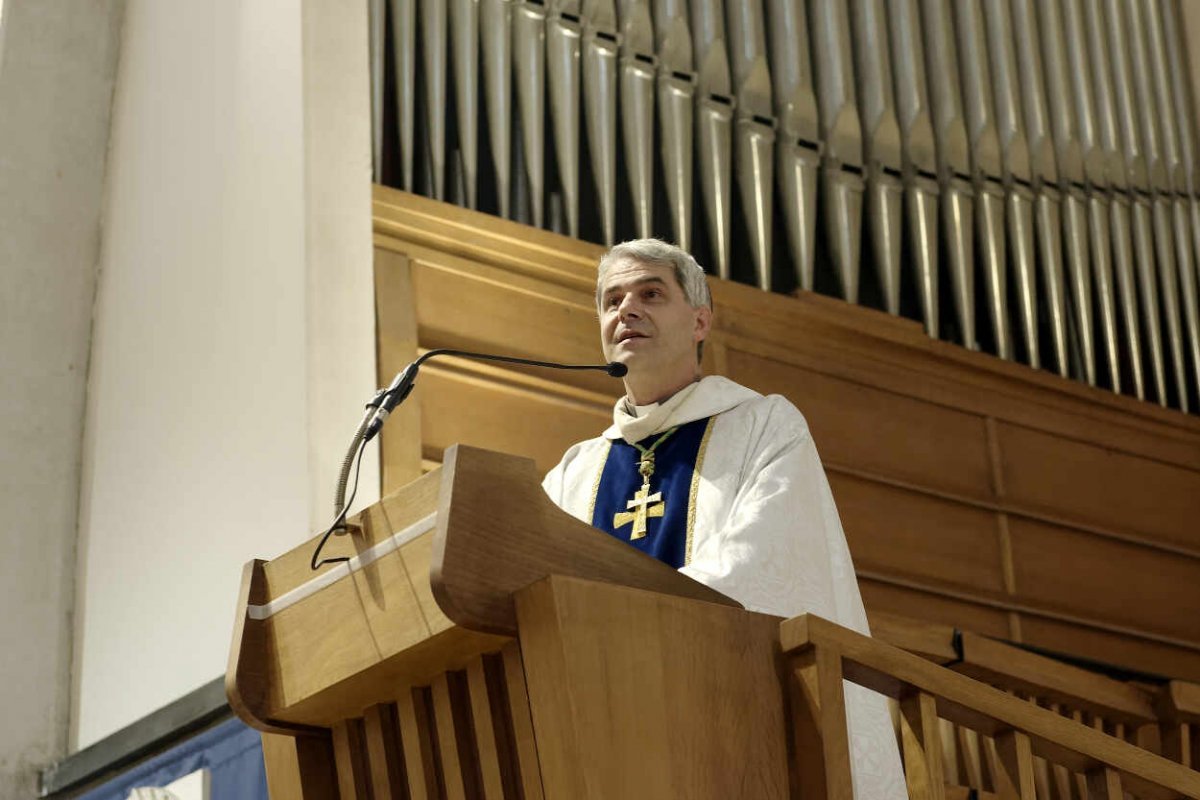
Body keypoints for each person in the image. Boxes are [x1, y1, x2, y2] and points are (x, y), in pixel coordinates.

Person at [541, 238, 907, 799]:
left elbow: (764, 565)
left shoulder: (763, 426)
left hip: (723, 720)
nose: (627, 309)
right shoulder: (575, 470)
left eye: (651, 293)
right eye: (612, 300)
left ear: (699, 321)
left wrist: (621, 620)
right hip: (598, 723)